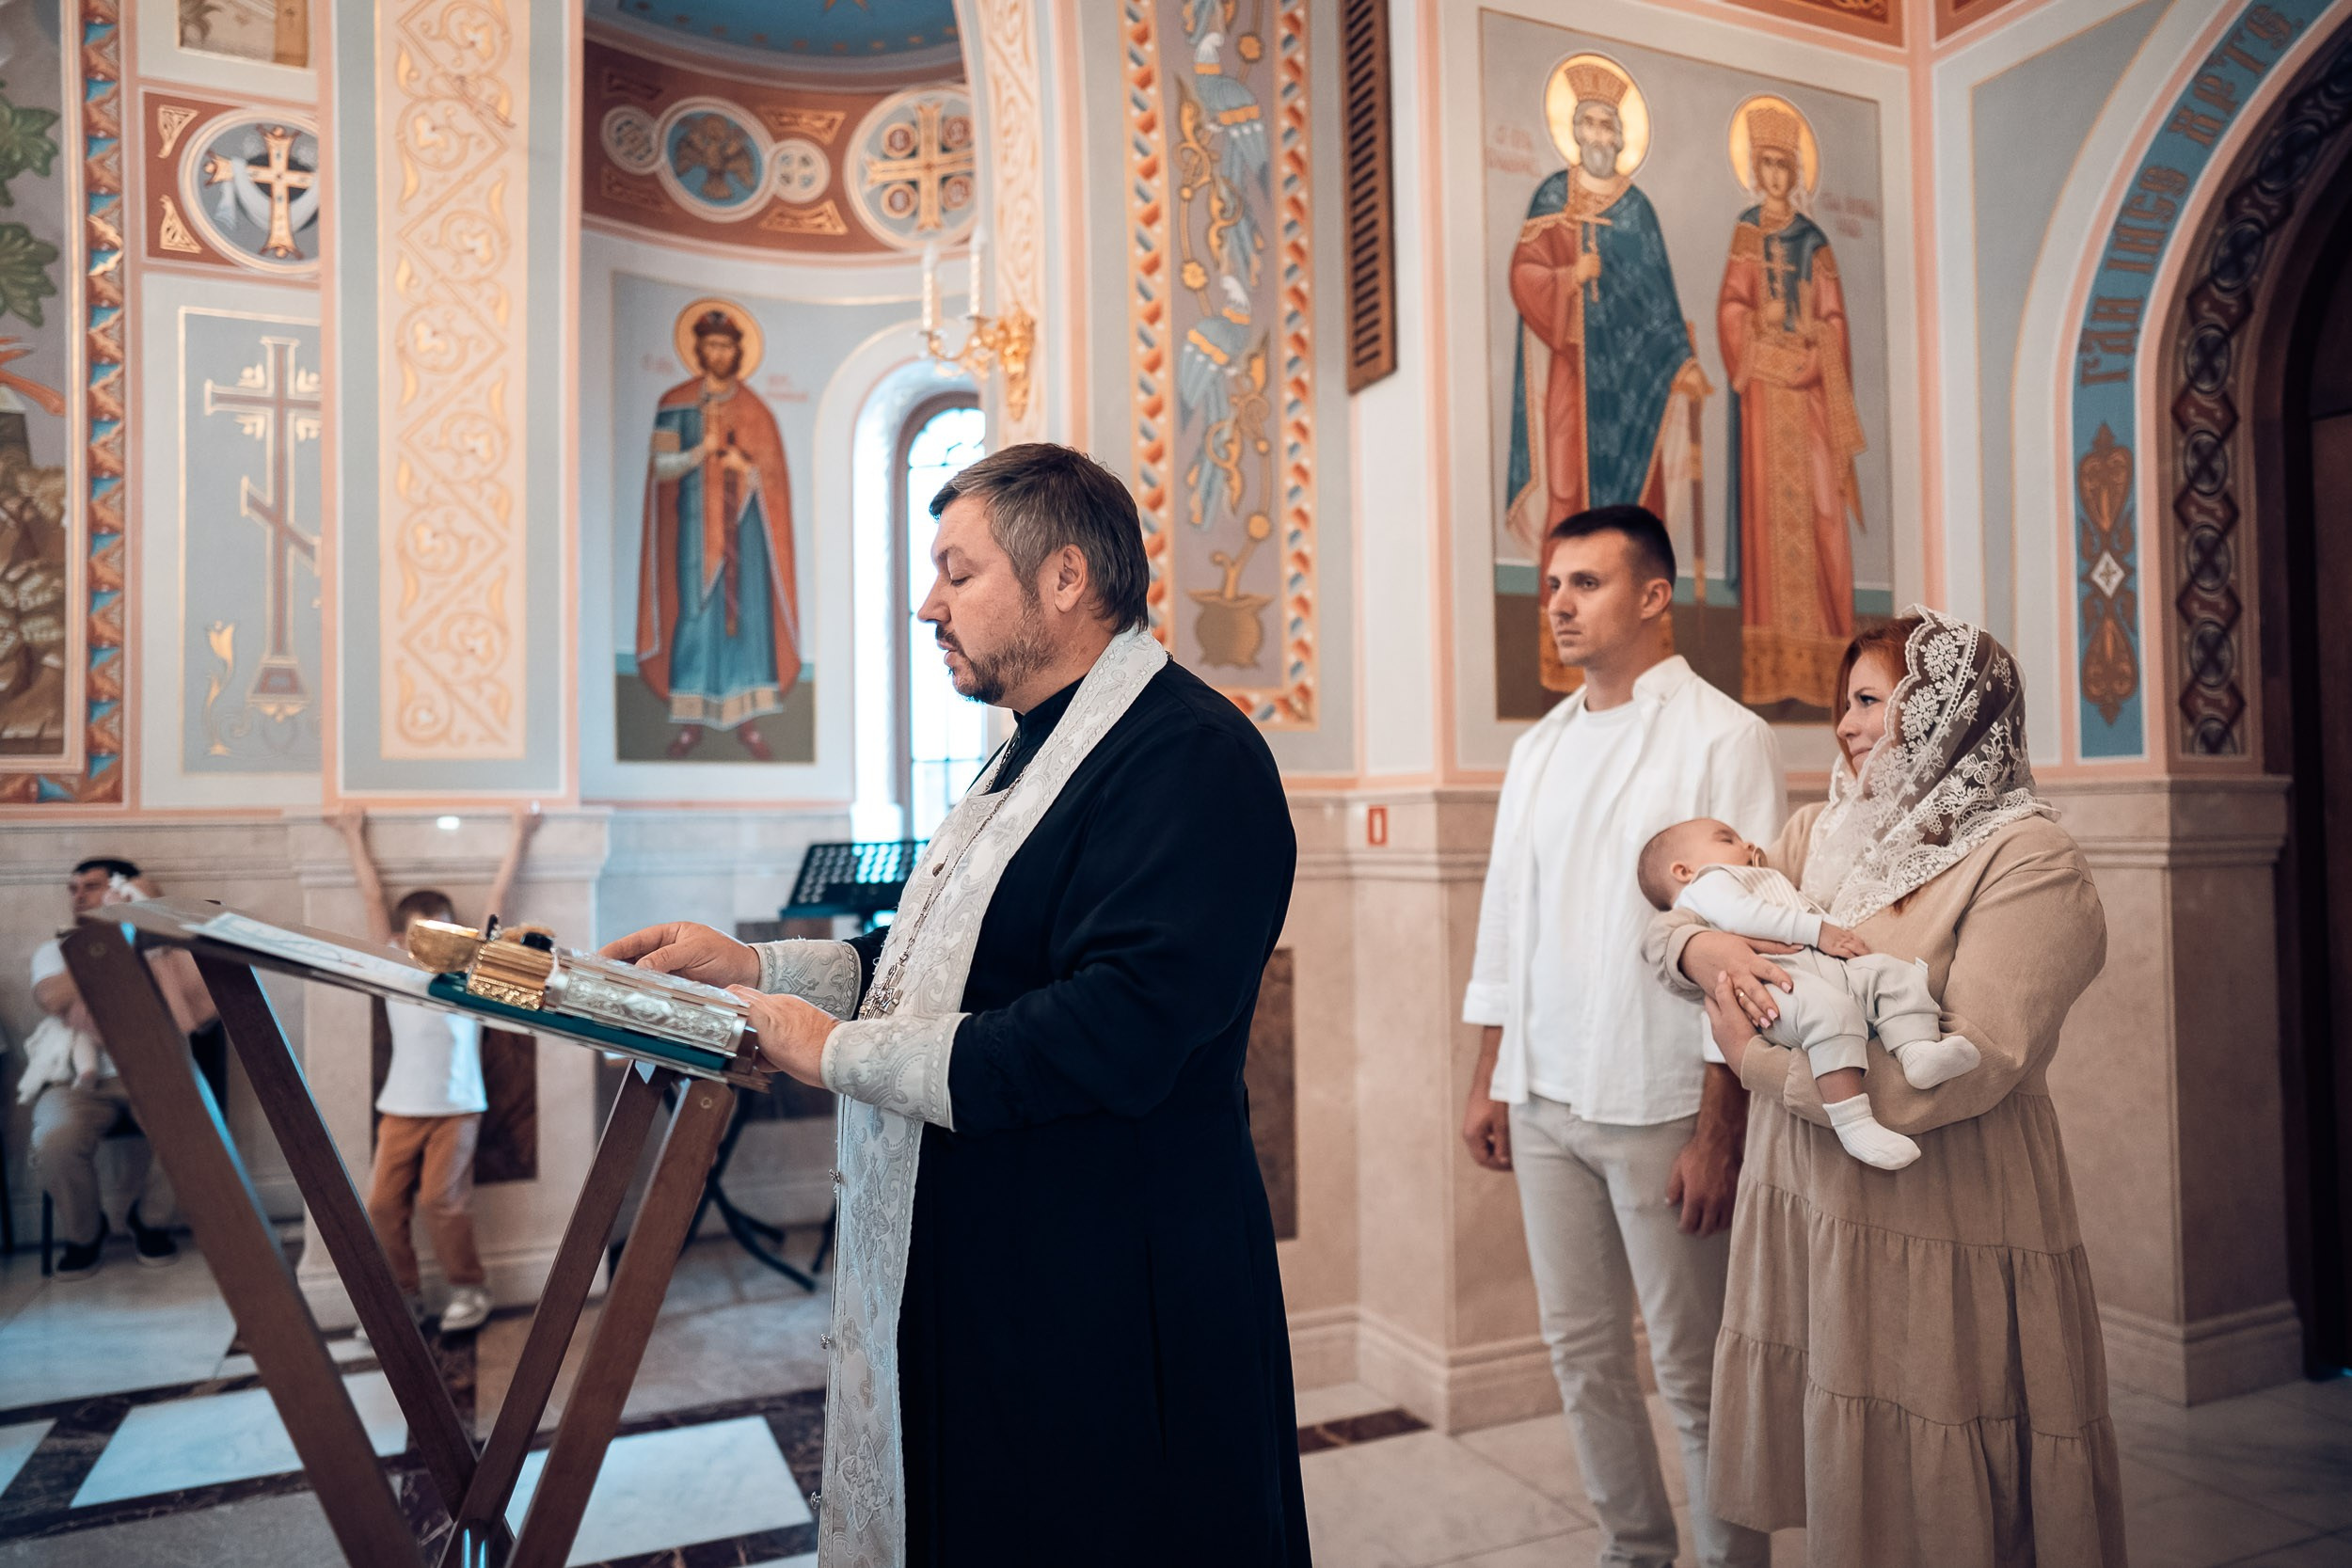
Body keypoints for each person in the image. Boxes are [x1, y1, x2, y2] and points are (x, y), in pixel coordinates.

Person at [601, 443, 1307, 1567]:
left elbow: (1113, 1030)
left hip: (1110, 1283)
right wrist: (758, 969)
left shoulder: (1191, 756)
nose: (928, 605)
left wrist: (832, 1051)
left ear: (1065, 578)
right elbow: (949, 963)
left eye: (957, 572)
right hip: (996, 1261)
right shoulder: (1024, 754)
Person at [1650, 610, 2125, 1566]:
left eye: (1871, 701)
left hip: (1941, 1207)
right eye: (1845, 702)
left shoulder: (2027, 858)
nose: (1847, 725)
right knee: (1848, 1473)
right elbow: (1675, 916)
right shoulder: (1818, 829)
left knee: (1941, 1476)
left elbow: (1970, 1065)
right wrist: (1705, 945)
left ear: (1947, 712)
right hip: (1815, 1203)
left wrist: (1757, 1065)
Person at [1461, 504, 1782, 1568]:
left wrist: (1718, 1129)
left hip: (1659, 1102)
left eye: (1585, 582)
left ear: (1653, 595)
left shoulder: (1722, 735)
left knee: (1694, 1372)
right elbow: (1508, 912)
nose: (1557, 603)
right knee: (1583, 1355)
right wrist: (1490, 1075)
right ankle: (1631, 1548)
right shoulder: (1540, 746)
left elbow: (1740, 942)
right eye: (1552, 583)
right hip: (1545, 1090)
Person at [1636, 816, 1981, 1170]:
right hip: (1779, 980)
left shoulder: (1753, 874)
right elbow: (1743, 916)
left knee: (1890, 974)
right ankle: (1854, 1122)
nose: (1749, 845)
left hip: (1821, 966)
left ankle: (1917, 1051)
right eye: (1728, 839)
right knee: (1830, 1013)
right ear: (1682, 870)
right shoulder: (1707, 883)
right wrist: (1818, 931)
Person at [335, 805, 540, 1334]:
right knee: (381, 1204)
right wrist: (353, 834)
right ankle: (402, 1295)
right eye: (420, 936)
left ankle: (469, 1287)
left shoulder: (471, 971)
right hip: (400, 1105)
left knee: (440, 1201)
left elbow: (498, 905)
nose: (432, 947)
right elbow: (372, 898)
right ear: (402, 941)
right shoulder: (392, 967)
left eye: (445, 935)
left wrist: (520, 832)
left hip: (457, 1105)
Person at [1715, 97, 1868, 710]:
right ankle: (1774, 669)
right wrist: (1757, 320)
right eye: (1767, 163)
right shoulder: (1746, 231)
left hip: (1806, 398)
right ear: (1754, 169)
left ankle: (1829, 666)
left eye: (1785, 164)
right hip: (1762, 403)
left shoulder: (1815, 241)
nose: (1775, 175)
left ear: (1796, 172)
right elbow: (1729, 307)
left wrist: (1810, 335)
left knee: (1823, 517)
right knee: (1766, 526)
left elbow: (1835, 320)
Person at [26, 858, 220, 1278]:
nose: (78, 896)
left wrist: (144, 924)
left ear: (119, 889)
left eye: (90, 887)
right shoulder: (55, 948)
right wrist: (104, 941)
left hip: (154, 1069)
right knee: (54, 1141)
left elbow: (198, 1004)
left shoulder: (160, 949)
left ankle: (149, 1222)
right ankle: (84, 1234)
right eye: (73, 888)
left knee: (190, 1128)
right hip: (78, 1080)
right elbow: (51, 998)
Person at [636, 302, 801, 761]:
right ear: (699, 350)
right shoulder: (676, 403)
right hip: (694, 530)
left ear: (737, 351)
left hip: (744, 533)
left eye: (726, 345)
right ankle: (691, 721)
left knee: (746, 622)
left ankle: (746, 720)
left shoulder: (755, 411)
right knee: (697, 615)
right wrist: (700, 452)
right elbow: (662, 467)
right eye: (710, 345)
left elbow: (771, 479)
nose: (719, 353)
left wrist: (744, 467)